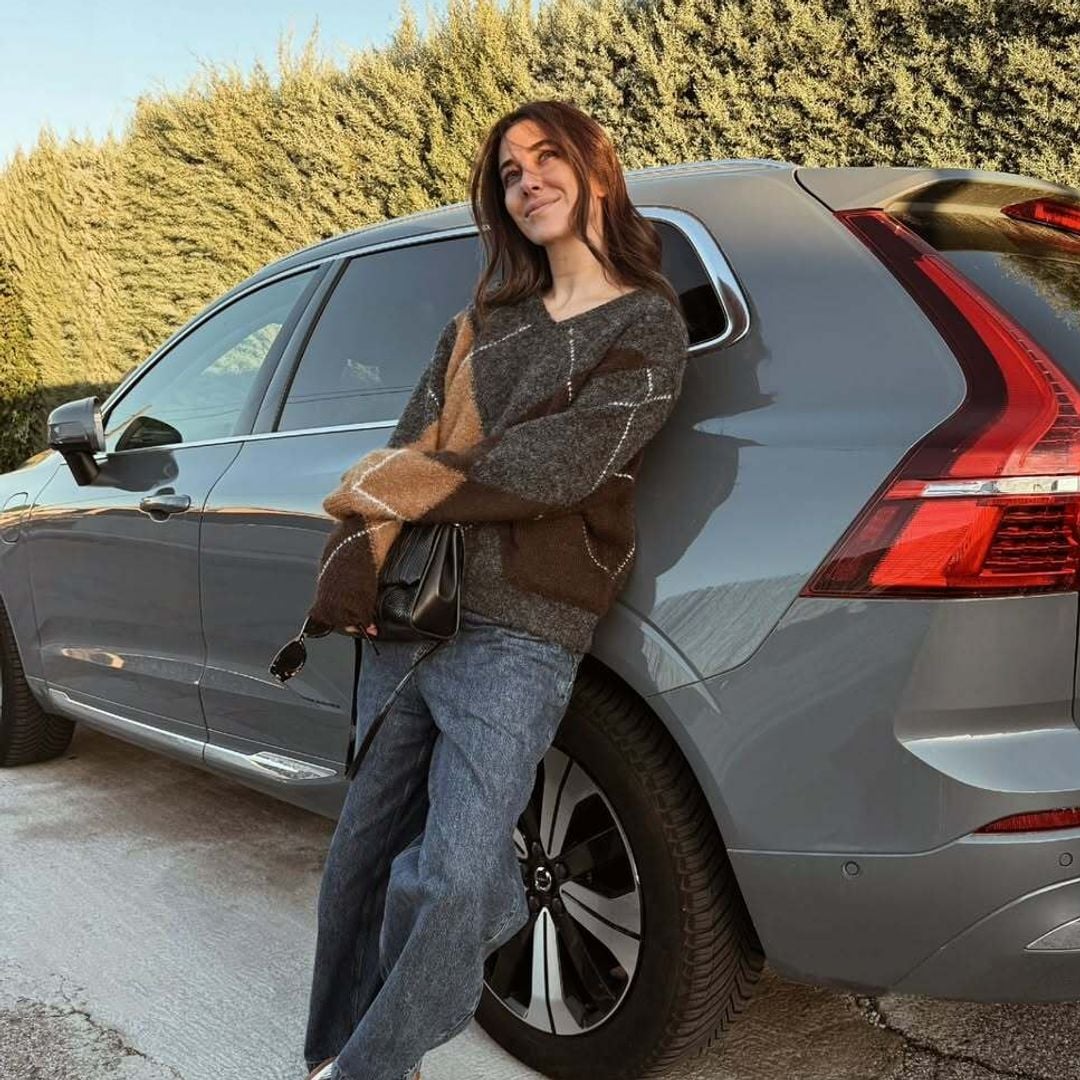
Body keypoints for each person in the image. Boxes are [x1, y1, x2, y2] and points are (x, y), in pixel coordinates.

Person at [302, 98, 690, 1080]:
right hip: (409, 620)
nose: (528, 182)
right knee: (358, 864)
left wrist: (419, 483)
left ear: (595, 168)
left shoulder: (646, 320)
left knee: (454, 880)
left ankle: (370, 1066)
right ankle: (334, 1050)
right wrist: (413, 484)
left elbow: (566, 465)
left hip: (520, 630)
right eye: (509, 173)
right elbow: (411, 449)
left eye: (546, 158)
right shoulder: (478, 327)